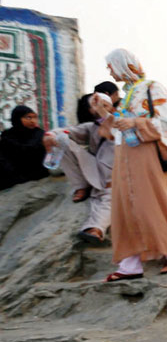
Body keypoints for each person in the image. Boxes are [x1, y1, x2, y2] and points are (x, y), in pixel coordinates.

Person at [102, 48, 167, 282]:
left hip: (145, 154)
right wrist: (105, 113)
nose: (109, 70)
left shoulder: (152, 88)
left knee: (149, 202)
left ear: (122, 64)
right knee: (124, 206)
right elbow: (116, 128)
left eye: (111, 65)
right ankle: (130, 262)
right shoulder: (128, 94)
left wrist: (134, 122)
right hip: (124, 154)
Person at [42, 92, 117, 243]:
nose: (101, 107)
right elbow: (66, 131)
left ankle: (96, 229)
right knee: (62, 139)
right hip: (96, 171)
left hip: (118, 176)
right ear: (90, 110)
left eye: (105, 104)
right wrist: (49, 135)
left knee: (109, 200)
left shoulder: (122, 123)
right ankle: (81, 186)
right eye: (95, 105)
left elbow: (114, 130)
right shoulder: (90, 127)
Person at [0, 105, 49, 190]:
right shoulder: (7, 136)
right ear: (17, 118)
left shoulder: (40, 134)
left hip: (36, 171)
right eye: (28, 117)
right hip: (14, 173)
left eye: (35, 118)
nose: (33, 121)